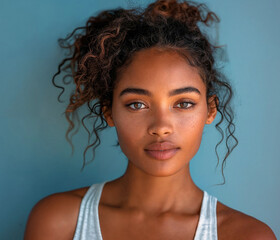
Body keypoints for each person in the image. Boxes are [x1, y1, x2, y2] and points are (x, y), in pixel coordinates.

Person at [24, 0, 276, 239]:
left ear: (210, 110)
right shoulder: (58, 221)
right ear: (109, 112)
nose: (161, 127)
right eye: (137, 104)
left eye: (184, 103)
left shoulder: (247, 236)